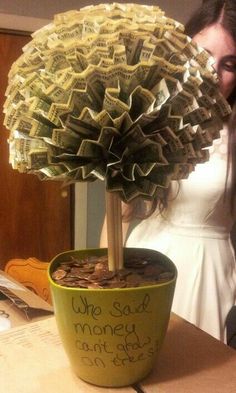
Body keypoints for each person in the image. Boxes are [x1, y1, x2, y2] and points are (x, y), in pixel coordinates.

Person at [100, 0, 236, 344]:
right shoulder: (151, 117)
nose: (214, 72)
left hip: (209, 273)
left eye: (229, 64)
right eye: (203, 55)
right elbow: (120, 211)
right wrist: (107, 282)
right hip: (148, 258)